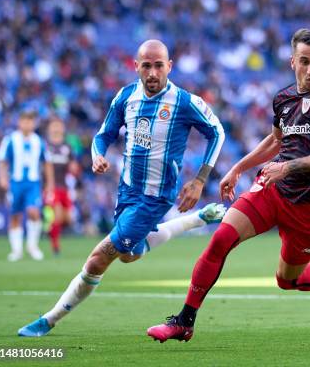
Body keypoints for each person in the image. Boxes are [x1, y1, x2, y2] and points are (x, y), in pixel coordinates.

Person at [147, 29, 310, 343]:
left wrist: (286, 167)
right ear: (292, 62)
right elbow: (275, 140)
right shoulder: (284, 98)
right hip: (271, 189)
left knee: (288, 280)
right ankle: (184, 321)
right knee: (221, 240)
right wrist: (238, 168)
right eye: (304, 62)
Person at [17, 39, 226, 337]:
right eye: (146, 66)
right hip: (126, 191)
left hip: (155, 197)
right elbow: (103, 135)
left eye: (158, 66)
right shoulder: (126, 95)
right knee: (129, 254)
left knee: (98, 258)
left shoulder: (184, 102)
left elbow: (216, 132)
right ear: (136, 66)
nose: (152, 72)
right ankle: (198, 219)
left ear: (169, 66)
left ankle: (48, 320)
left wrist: (200, 179)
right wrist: (97, 155)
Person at [0, 110, 54, 262]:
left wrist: (49, 183)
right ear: (19, 122)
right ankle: (16, 251)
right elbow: (3, 160)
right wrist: (3, 178)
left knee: (33, 212)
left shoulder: (39, 141)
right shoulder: (10, 140)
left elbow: (47, 162)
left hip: (33, 183)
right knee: (15, 215)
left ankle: (32, 246)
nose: (27, 124)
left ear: (34, 123)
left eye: (30, 121)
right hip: (15, 183)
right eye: (24, 121)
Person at [44, 117, 80, 255]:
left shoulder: (67, 147)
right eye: (54, 126)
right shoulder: (45, 146)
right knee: (57, 215)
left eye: (59, 126)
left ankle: (49, 228)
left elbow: (73, 166)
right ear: (49, 129)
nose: (56, 128)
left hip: (64, 186)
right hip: (51, 186)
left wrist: (74, 168)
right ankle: (55, 247)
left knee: (68, 219)